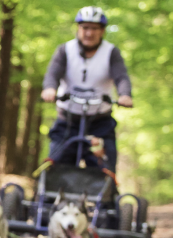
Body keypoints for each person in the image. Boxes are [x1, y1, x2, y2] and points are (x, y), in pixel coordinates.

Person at [42, 6, 132, 173]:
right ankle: (45, 198)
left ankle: (107, 198)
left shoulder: (111, 52)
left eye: (95, 28)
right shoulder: (65, 50)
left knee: (106, 167)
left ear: (102, 31)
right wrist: (49, 89)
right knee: (55, 165)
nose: (89, 33)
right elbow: (53, 73)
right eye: (85, 28)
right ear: (78, 28)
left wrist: (125, 94)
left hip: (100, 123)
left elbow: (121, 77)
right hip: (67, 120)